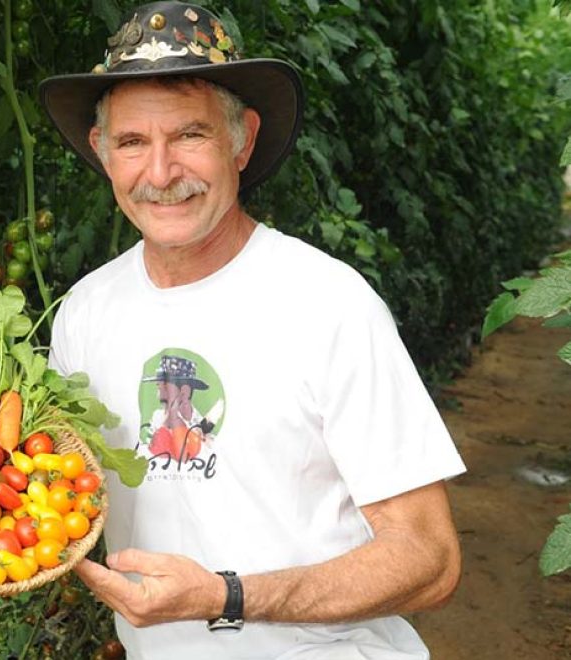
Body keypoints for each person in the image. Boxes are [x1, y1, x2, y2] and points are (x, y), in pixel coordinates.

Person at [38, 2, 466, 658]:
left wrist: (225, 596)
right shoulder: (85, 313)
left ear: (242, 140)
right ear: (102, 152)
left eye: (189, 136)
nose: (160, 174)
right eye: (132, 143)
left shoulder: (329, 305)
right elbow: (63, 491)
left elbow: (430, 560)